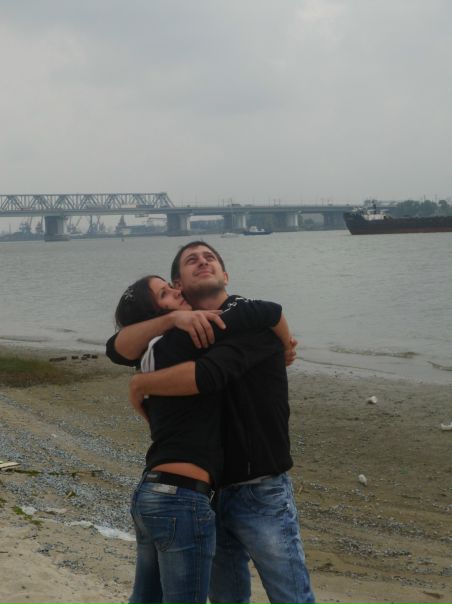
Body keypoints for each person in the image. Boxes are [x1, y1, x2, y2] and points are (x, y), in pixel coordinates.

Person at [109, 241, 316, 604]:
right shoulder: (179, 336)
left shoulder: (249, 321)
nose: (203, 262)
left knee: (291, 597)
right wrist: (173, 319)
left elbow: (211, 372)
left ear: (225, 274)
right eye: (192, 260)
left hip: (261, 488)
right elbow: (116, 348)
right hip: (206, 494)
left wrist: (141, 383)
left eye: (210, 258)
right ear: (178, 285)